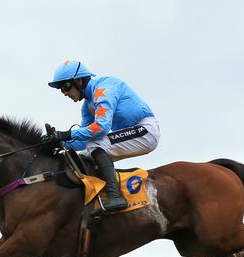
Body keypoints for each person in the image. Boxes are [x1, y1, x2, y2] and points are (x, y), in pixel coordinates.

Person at [42, 60, 160, 212]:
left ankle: (115, 196)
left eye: (66, 86)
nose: (65, 93)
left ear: (79, 80)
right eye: (61, 90)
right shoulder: (87, 106)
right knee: (84, 154)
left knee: (95, 146)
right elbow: (85, 139)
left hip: (146, 130)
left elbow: (102, 128)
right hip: (133, 132)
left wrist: (66, 134)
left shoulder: (102, 89)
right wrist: (61, 143)